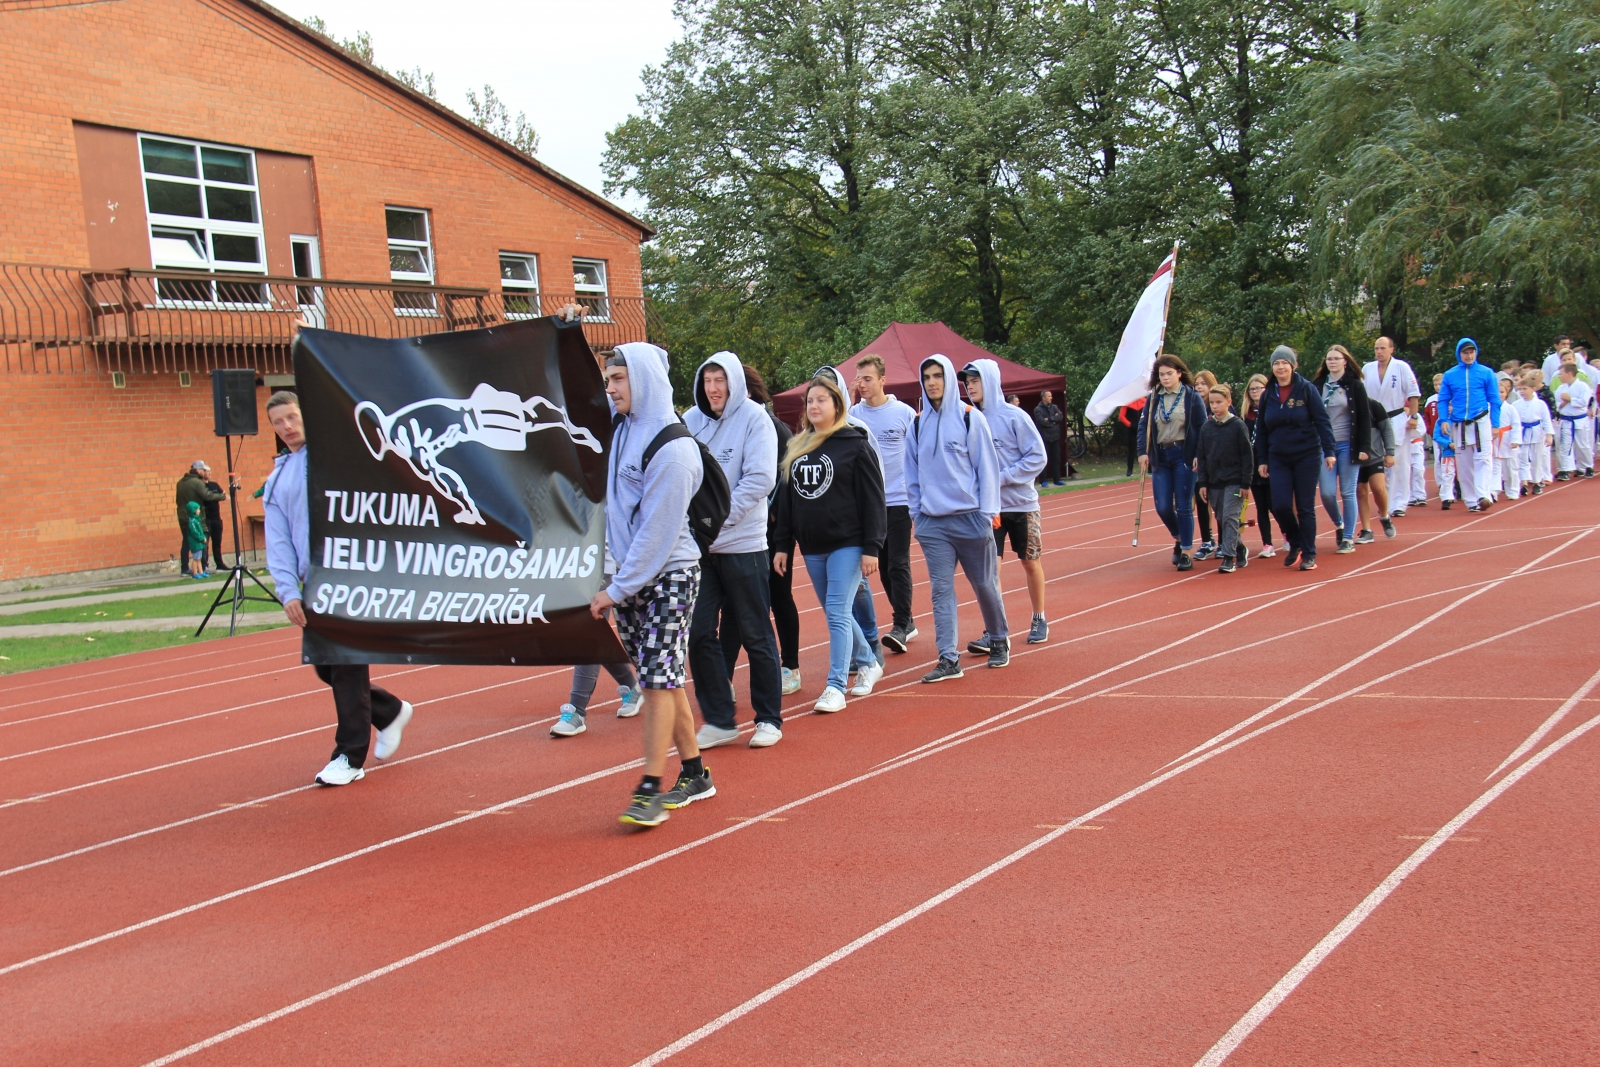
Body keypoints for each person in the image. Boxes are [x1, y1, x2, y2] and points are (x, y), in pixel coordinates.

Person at [262, 390, 414, 787]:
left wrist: (305, 342)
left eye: (292, 417)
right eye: (278, 422)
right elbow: (277, 541)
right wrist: (288, 591)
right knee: (325, 666)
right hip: (312, 584)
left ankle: (349, 755)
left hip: (348, 574)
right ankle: (389, 711)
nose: (287, 427)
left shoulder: (334, 454)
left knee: (344, 664)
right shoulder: (277, 478)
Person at [594, 343, 711, 828]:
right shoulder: (622, 427)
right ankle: (695, 772)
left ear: (641, 379)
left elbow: (656, 536)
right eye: (608, 380)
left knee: (656, 680)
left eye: (618, 379)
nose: (610, 389)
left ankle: (649, 787)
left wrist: (614, 590)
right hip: (630, 575)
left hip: (670, 574)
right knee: (661, 678)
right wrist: (566, 331)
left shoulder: (675, 450)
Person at [682, 353, 785, 751]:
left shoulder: (756, 419)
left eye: (719, 380)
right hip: (701, 549)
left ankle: (768, 718)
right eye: (706, 380)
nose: (713, 388)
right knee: (698, 630)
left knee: (756, 633)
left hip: (743, 545)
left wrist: (716, 519)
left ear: (735, 383)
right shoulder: (690, 422)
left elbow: (760, 478)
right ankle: (720, 718)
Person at [772, 374, 886, 713]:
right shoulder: (798, 445)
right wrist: (782, 545)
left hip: (848, 544)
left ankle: (835, 686)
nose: (814, 405)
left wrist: (872, 547)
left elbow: (873, 500)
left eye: (822, 399)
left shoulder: (855, 443)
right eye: (810, 401)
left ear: (837, 405)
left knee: (837, 610)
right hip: (812, 546)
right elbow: (788, 503)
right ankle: (868, 661)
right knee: (834, 611)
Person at [906, 353, 1009, 681]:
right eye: (927, 377)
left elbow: (987, 469)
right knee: (940, 589)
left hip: (971, 519)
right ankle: (948, 658)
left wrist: (986, 514)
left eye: (938, 376)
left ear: (949, 379)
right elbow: (911, 474)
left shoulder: (969, 418)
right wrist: (916, 515)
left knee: (983, 584)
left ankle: (998, 638)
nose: (932, 382)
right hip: (933, 523)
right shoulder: (918, 423)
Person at [720, 366, 803, 697]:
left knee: (779, 597)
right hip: (737, 532)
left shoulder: (771, 427)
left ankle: (791, 666)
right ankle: (723, 678)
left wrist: (779, 524)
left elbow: (786, 481)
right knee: (735, 605)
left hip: (773, 530)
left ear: (746, 392)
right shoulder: (725, 428)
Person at [962, 360, 1049, 645]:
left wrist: (1002, 477)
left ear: (989, 380)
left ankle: (1039, 618)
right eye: (967, 382)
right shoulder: (969, 418)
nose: (970, 386)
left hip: (1022, 505)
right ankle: (995, 630)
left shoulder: (1015, 416)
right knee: (990, 571)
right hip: (989, 509)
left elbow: (1037, 457)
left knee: (1030, 562)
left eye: (975, 380)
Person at [851, 354, 920, 654]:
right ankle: (908, 620)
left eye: (868, 379)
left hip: (899, 499)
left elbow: (919, 455)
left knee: (898, 563)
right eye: (859, 379)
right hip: (868, 504)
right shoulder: (853, 415)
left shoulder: (903, 413)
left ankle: (901, 624)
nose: (862, 384)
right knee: (880, 567)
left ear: (882, 379)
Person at [1254, 346, 1336, 571]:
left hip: (1306, 455)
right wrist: (1262, 459)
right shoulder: (1268, 394)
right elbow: (1261, 430)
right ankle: (1295, 540)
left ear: (1293, 366)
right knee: (1280, 505)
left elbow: (1322, 421)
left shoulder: (1306, 390)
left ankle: (1309, 553)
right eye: (1276, 363)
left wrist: (1329, 451)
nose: (1280, 367)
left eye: (1284, 363)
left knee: (1305, 506)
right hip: (1278, 456)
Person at [1135, 354, 1207, 572]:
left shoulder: (1191, 397)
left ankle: (1185, 551)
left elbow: (1202, 428)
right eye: (1161, 374)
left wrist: (1198, 454)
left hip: (1183, 455)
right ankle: (1178, 537)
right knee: (1163, 507)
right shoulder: (1154, 397)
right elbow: (1144, 426)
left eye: (1169, 373)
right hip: (1161, 456)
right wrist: (1142, 451)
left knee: (1183, 505)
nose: (1165, 378)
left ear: (1179, 373)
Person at [1312, 345, 1372, 554]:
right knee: (1327, 493)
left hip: (1348, 443)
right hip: (1324, 445)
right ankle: (1339, 523)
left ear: (1345, 361)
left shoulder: (1354, 385)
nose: (1332, 362)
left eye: (1336, 358)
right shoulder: (1317, 385)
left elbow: (1365, 417)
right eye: (1329, 359)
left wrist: (1364, 447)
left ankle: (1348, 538)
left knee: (1347, 491)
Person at [1435, 337, 1502, 511]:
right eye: (1465, 352)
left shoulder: (1486, 373)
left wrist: (1495, 424)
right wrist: (1443, 420)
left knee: (1483, 459)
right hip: (1459, 425)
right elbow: (1442, 400)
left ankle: (1483, 495)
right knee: (1464, 464)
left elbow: (1495, 400)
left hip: (1480, 422)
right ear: (1459, 353)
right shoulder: (1450, 375)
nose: (1469, 355)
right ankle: (1472, 500)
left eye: (1471, 352)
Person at [1362, 336, 1423, 514]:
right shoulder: (1367, 369)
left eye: (1382, 348)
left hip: (1396, 417)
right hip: (1373, 420)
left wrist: (1413, 416)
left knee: (1398, 462)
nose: (1379, 352)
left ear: (1391, 349)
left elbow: (1413, 394)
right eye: (1376, 348)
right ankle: (1385, 501)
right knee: (1377, 462)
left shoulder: (1401, 367)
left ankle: (1399, 503)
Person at [1196, 384, 1253, 573]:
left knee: (1230, 516)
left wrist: (1246, 482)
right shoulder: (1207, 427)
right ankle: (1240, 547)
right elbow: (1202, 457)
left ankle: (1228, 557)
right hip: (1214, 481)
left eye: (1219, 402)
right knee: (1222, 517)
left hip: (1235, 480)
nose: (1215, 406)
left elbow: (1247, 455)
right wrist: (1203, 483)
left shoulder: (1237, 425)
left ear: (1229, 402)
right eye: (1212, 403)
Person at [1239, 374, 1278, 557]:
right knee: (1261, 506)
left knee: (1275, 504)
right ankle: (1267, 544)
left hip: (1271, 461)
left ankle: (1289, 536)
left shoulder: (1272, 409)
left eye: (1259, 388)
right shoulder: (1246, 414)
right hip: (1252, 463)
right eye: (1252, 389)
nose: (1255, 392)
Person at [1354, 394, 1397, 541]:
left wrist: (1389, 452)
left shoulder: (1374, 405)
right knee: (1360, 491)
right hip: (1355, 457)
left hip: (1374, 455)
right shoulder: (1345, 407)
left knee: (1378, 488)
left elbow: (1386, 429)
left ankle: (1384, 516)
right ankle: (1366, 530)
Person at [1190, 370, 1219, 560]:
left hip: (1220, 462)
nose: (1200, 387)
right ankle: (1207, 540)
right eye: (1197, 384)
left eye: (1203, 384)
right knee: (1201, 499)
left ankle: (1228, 539)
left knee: (1223, 502)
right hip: (1200, 462)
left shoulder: (1220, 405)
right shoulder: (1192, 405)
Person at [176, 461, 224, 573]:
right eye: (203, 470)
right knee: (200, 541)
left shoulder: (180, 483)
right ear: (198, 470)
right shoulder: (197, 483)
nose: (204, 472)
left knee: (186, 542)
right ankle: (201, 568)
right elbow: (207, 495)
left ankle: (184, 568)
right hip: (194, 516)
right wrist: (222, 496)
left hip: (182, 516)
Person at [1513, 371, 1553, 495]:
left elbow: (1546, 420)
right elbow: (1514, 421)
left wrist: (1549, 435)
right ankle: (1524, 483)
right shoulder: (1516, 404)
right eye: (1520, 389)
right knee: (1523, 458)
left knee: (1536, 459)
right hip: (1522, 432)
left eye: (1525, 389)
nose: (1522, 391)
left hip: (1536, 432)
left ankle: (1536, 482)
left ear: (1533, 389)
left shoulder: (1540, 404)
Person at [1553, 362, 1595, 479]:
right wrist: (1564, 402)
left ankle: (1587, 466)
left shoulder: (1583, 386)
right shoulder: (1561, 388)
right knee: (1565, 445)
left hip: (1580, 420)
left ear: (1569, 373)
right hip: (1566, 420)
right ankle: (1565, 469)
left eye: (1561, 374)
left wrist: (1570, 399)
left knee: (1582, 445)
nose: (1559, 376)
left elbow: (1583, 403)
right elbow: (1557, 404)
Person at [1494, 374, 1520, 500]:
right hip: (1494, 439)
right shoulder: (1489, 408)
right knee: (1494, 467)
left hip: (1507, 439)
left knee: (1511, 468)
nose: (1499, 394)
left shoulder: (1511, 408)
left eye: (1502, 392)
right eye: (1497, 391)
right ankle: (1494, 491)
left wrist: (1515, 440)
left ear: (1506, 393)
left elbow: (1516, 425)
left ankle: (1513, 490)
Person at [1033, 390, 1066, 486]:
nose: (1051, 398)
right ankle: (1043, 480)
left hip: (1055, 437)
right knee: (1044, 459)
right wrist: (1053, 421)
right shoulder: (1038, 409)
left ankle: (1057, 479)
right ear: (1043, 398)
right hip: (1044, 437)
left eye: (1051, 396)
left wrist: (1050, 419)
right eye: (1049, 396)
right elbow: (1041, 422)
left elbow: (1060, 417)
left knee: (1056, 459)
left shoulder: (1054, 407)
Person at [202, 468, 228, 571]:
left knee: (217, 543)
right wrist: (217, 496)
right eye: (207, 471)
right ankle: (204, 565)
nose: (209, 473)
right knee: (205, 544)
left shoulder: (214, 485)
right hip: (206, 519)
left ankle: (219, 564)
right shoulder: (200, 486)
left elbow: (223, 495)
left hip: (216, 518)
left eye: (210, 471)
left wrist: (218, 496)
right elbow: (208, 497)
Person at [1119, 398, 1145, 477]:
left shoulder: (1145, 401)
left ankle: (1150, 468)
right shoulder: (1126, 403)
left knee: (1147, 448)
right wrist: (1129, 425)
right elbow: (1121, 416)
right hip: (1132, 430)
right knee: (1132, 449)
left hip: (1143, 430)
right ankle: (1129, 470)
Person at [183, 501, 208, 578]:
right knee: (195, 559)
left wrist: (203, 536)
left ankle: (201, 572)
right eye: (198, 509)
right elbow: (195, 532)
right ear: (193, 511)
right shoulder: (193, 521)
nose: (199, 511)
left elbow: (200, 530)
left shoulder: (196, 520)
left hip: (199, 542)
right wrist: (201, 538)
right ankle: (195, 573)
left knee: (199, 559)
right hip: (195, 543)